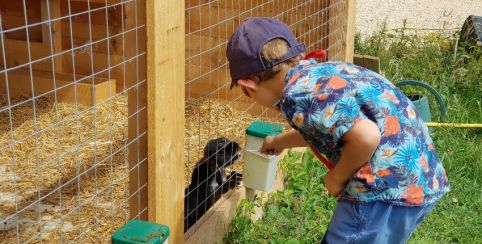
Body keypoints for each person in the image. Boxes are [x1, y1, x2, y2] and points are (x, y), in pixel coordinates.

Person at [226, 17, 449, 243]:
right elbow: (335, 129)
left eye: (247, 94)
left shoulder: (296, 96)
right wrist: (277, 142)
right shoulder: (322, 73)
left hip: (383, 191)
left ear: (248, 85)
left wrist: (336, 177)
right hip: (422, 178)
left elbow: (366, 138)